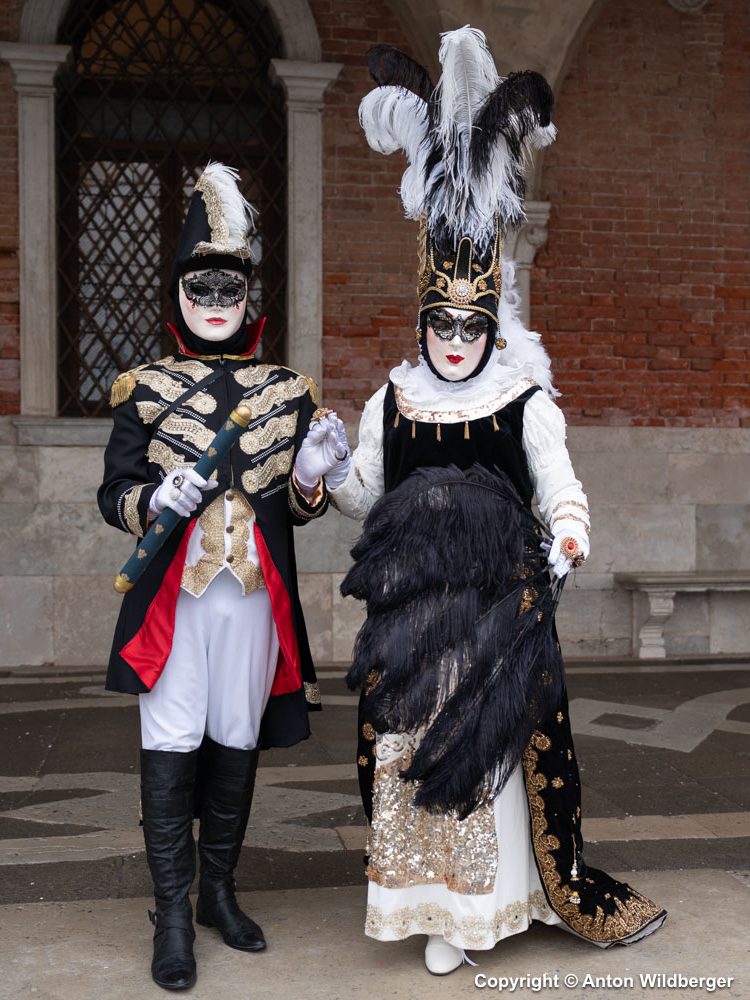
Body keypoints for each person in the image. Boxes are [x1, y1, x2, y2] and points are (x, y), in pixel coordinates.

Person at [299, 28, 666, 976]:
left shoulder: (523, 398)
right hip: (411, 621)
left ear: (488, 320)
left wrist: (571, 536)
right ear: (423, 320)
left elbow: (561, 490)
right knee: (412, 763)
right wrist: (324, 472)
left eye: (471, 323)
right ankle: (428, 910)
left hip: (499, 616)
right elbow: (361, 503)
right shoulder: (394, 397)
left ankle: (487, 911)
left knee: (490, 762)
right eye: (441, 323)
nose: (456, 339)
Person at [98, 163, 328, 990]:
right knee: (170, 738)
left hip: (254, 601)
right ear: (180, 296)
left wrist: (311, 480)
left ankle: (218, 894)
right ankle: (171, 915)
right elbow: (112, 493)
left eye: (230, 287)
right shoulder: (145, 390)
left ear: (249, 298)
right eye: (203, 287)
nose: (218, 300)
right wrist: (156, 495)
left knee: (236, 733)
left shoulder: (290, 391)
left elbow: (303, 509)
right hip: (175, 601)